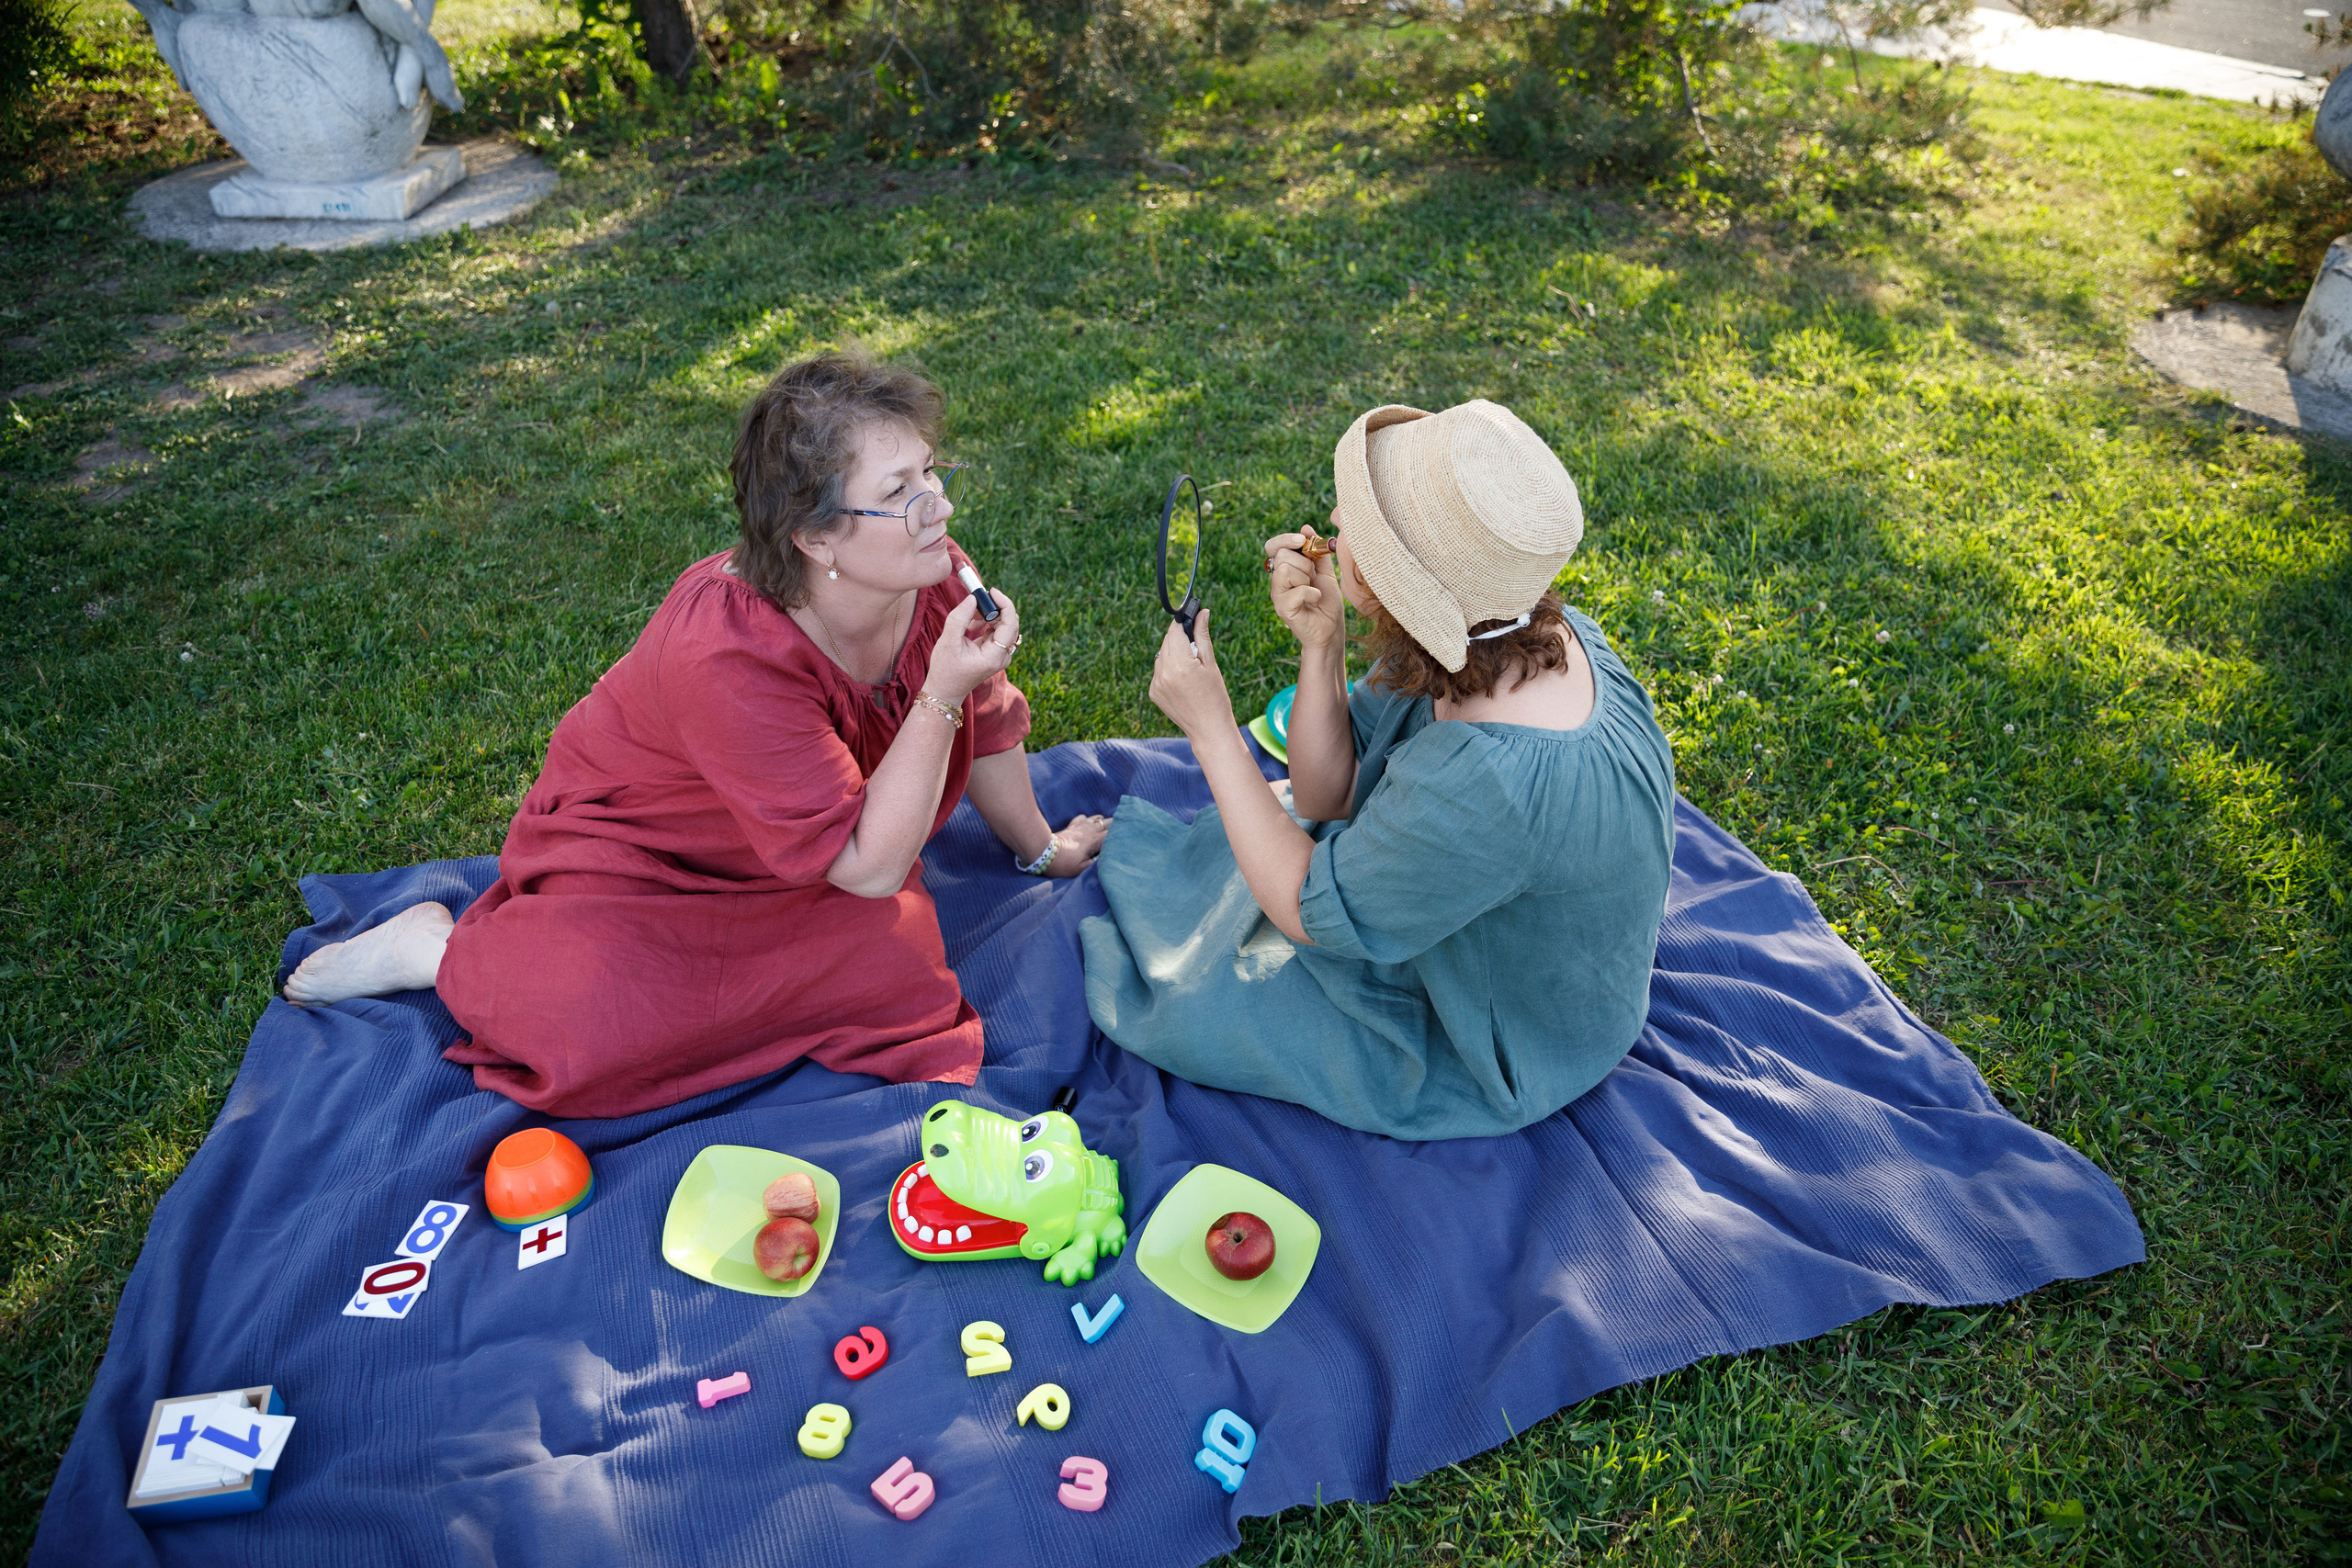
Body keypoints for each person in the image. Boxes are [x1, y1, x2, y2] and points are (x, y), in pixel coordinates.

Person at [285, 351, 1109, 1117]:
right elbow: (872, 864)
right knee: (586, 1030)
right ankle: (440, 952)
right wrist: (938, 692)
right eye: (899, 492)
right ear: (815, 534)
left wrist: (1043, 850)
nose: (941, 506)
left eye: (931, 471)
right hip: (648, 858)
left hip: (810, 856)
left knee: (902, 981)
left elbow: (987, 718)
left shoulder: (928, 572)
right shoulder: (728, 652)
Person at [1080, 400, 1676, 1141]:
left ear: (1407, 584)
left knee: (1201, 991)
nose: (1332, 516)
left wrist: (1211, 732)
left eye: (1359, 520)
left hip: (1506, 1041)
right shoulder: (1503, 631)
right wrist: (1321, 644)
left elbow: (1304, 908)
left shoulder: (1485, 785)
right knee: (1242, 852)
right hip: (1485, 928)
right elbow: (1329, 794)